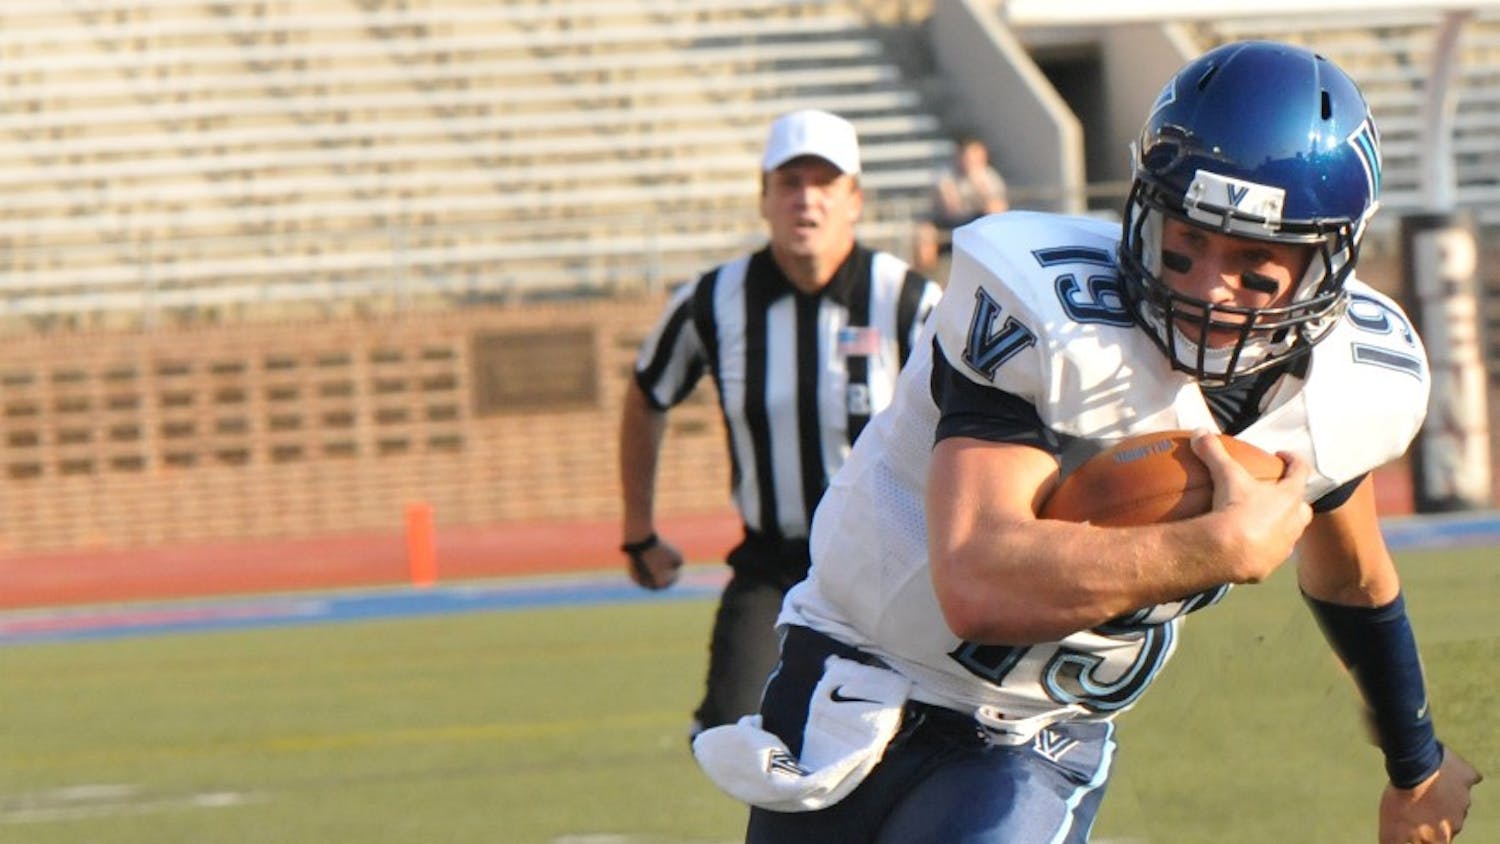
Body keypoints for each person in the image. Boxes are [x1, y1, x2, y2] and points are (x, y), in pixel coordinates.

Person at [691, 41, 1482, 843]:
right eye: (1186, 242)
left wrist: (1415, 764)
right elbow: (977, 577)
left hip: (1033, 738)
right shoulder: (1054, 315)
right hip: (857, 671)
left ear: (1324, 266)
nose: (1209, 287)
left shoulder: (1342, 384)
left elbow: (1352, 580)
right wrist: (1217, 548)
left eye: (1254, 265)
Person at [619, 109, 942, 738]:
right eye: (790, 182)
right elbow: (646, 393)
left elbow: (970, 419)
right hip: (772, 563)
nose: (806, 200)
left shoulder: (908, 300)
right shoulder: (713, 301)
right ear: (763, 198)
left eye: (825, 184)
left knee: (901, 737)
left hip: (886, 562)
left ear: (855, 201)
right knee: (732, 732)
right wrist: (639, 529)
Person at [914, 134, 1009, 274]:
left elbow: (999, 211)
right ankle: (928, 277)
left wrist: (980, 185)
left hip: (979, 224)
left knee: (993, 210)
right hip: (950, 225)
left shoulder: (990, 177)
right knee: (925, 234)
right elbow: (952, 210)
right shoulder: (946, 176)